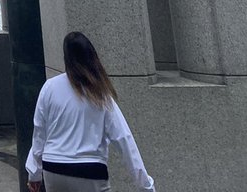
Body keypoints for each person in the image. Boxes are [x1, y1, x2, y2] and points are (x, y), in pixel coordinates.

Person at [27, 32, 156, 192]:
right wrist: (146, 186)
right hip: (90, 170)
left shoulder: (49, 87)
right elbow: (124, 139)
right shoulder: (100, 94)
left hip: (53, 167)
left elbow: (39, 133)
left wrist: (34, 173)